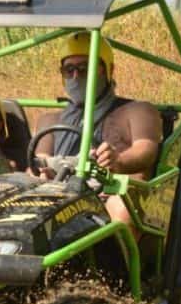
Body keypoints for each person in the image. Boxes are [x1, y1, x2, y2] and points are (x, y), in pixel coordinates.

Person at [34, 31, 162, 233]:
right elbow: (37, 162)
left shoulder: (137, 111)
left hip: (112, 195)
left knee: (122, 208)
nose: (76, 76)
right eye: (69, 70)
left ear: (108, 69)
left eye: (85, 68)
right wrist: (41, 172)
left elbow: (146, 150)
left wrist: (118, 160)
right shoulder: (49, 121)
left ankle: (118, 263)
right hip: (62, 197)